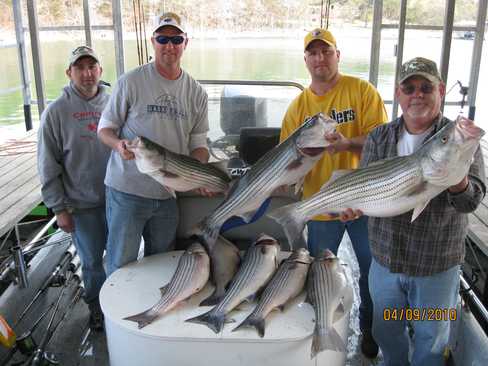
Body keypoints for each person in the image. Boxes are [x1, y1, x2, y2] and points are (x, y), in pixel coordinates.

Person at [343, 57, 486, 365]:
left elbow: (472, 201)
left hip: (436, 266)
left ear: (441, 90)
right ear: (399, 94)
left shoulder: (459, 139)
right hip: (385, 261)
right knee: (386, 331)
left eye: (425, 87)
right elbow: (366, 190)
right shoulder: (380, 136)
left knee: (432, 339)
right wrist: (352, 208)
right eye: (409, 88)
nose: (417, 94)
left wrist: (458, 181)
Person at [280, 28, 388, 358]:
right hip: (321, 205)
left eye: (326, 52)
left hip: (362, 200)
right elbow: (287, 158)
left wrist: (347, 143)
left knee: (373, 272)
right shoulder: (298, 107)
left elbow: (381, 141)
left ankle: (370, 329)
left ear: (337, 55)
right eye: (313, 53)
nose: (319, 59)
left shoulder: (361, 91)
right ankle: (320, 328)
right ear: (306, 60)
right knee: (319, 274)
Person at [98, 12, 209, 275]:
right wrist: (118, 145)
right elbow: (105, 129)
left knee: (161, 265)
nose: (169, 45)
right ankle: (114, 316)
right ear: (153, 41)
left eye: (175, 39)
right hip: (127, 191)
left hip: (167, 195)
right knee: (120, 264)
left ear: (185, 42)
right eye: (162, 38)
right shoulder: (131, 81)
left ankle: (153, 314)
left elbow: (199, 145)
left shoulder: (196, 92)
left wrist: (200, 174)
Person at [37, 46, 110, 330]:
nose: (87, 73)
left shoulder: (115, 101)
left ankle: (119, 305)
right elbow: (47, 164)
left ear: (100, 71)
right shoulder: (56, 112)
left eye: (92, 66)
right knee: (91, 261)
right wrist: (58, 208)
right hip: (81, 205)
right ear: (69, 73)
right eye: (80, 68)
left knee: (120, 258)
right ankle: (96, 307)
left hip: (119, 198)